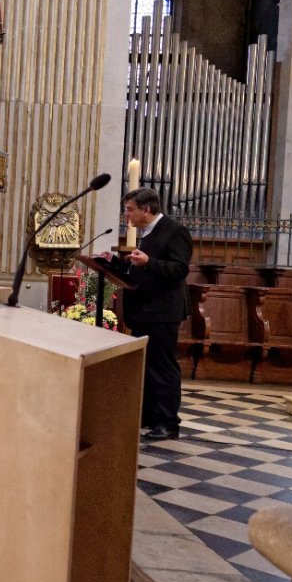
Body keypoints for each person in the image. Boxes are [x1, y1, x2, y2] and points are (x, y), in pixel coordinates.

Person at [107, 188, 193, 441]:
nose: (127, 214)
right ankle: (150, 417)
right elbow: (142, 269)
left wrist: (149, 262)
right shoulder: (148, 232)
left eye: (130, 209)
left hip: (162, 312)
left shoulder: (174, 230)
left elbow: (179, 269)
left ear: (147, 209)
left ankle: (168, 423)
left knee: (163, 368)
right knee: (148, 367)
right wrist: (114, 262)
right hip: (145, 311)